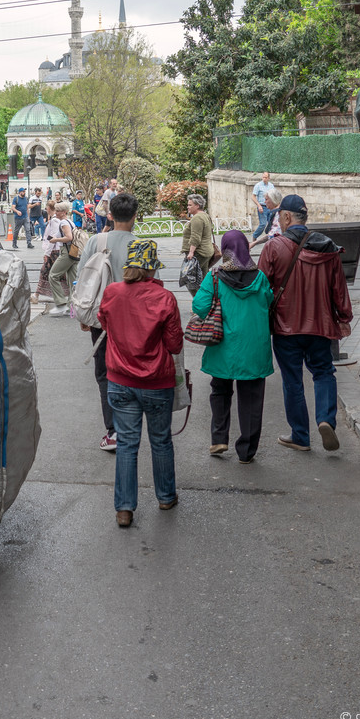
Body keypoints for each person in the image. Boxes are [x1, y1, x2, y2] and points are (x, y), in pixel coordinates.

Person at [257, 194, 352, 453]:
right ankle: (325, 419)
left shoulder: (273, 248)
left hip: (285, 327)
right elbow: (339, 288)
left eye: (279, 217)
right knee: (323, 372)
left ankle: (300, 435)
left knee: (292, 380)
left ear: (286, 217)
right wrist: (343, 318)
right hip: (320, 326)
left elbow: (262, 289)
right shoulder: (326, 246)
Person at [98, 239, 183, 527]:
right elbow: (173, 344)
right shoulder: (165, 298)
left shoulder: (112, 293)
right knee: (160, 441)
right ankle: (165, 496)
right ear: (151, 268)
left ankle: (124, 509)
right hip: (157, 381)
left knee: (126, 445)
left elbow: (106, 325)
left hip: (120, 380)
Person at [192, 230, 274, 464]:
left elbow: (199, 306)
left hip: (223, 346)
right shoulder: (260, 277)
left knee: (220, 391)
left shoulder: (215, 277)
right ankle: (246, 451)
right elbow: (268, 301)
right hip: (254, 347)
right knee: (252, 399)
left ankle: (219, 438)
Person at [77, 192, 139, 452]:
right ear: (135, 216)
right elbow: (152, 285)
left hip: (100, 319)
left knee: (105, 374)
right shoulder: (141, 244)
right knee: (130, 372)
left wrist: (81, 316)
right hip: (134, 322)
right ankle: (130, 426)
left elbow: (82, 277)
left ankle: (112, 431)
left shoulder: (95, 240)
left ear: (110, 215)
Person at [45, 201, 78, 317]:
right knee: (73, 280)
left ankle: (61, 303)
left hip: (66, 252)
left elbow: (69, 237)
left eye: (58, 211)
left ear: (64, 212)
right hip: (75, 252)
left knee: (53, 275)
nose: (56, 213)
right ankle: (72, 305)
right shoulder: (70, 221)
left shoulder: (63, 222)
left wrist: (55, 240)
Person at [181, 193, 215, 294]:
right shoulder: (205, 215)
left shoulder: (197, 218)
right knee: (203, 280)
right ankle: (208, 302)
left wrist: (191, 252)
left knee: (188, 278)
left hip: (198, 253)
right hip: (206, 251)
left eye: (190, 205)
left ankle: (199, 303)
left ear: (197, 205)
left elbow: (195, 237)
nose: (188, 207)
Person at [34, 200, 59, 305]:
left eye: (46, 207)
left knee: (45, 272)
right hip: (55, 250)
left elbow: (52, 237)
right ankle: (37, 295)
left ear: (49, 208)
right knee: (49, 273)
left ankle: (36, 295)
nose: (46, 209)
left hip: (53, 251)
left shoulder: (54, 221)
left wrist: (47, 253)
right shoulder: (54, 219)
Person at [251, 172, 277, 240]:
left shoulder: (271, 186)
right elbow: (253, 196)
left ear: (268, 178)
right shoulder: (258, 185)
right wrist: (259, 206)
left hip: (271, 207)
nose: (264, 179)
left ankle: (270, 238)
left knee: (271, 223)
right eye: (263, 177)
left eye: (265, 177)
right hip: (262, 207)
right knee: (263, 224)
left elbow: (274, 196)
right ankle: (254, 236)